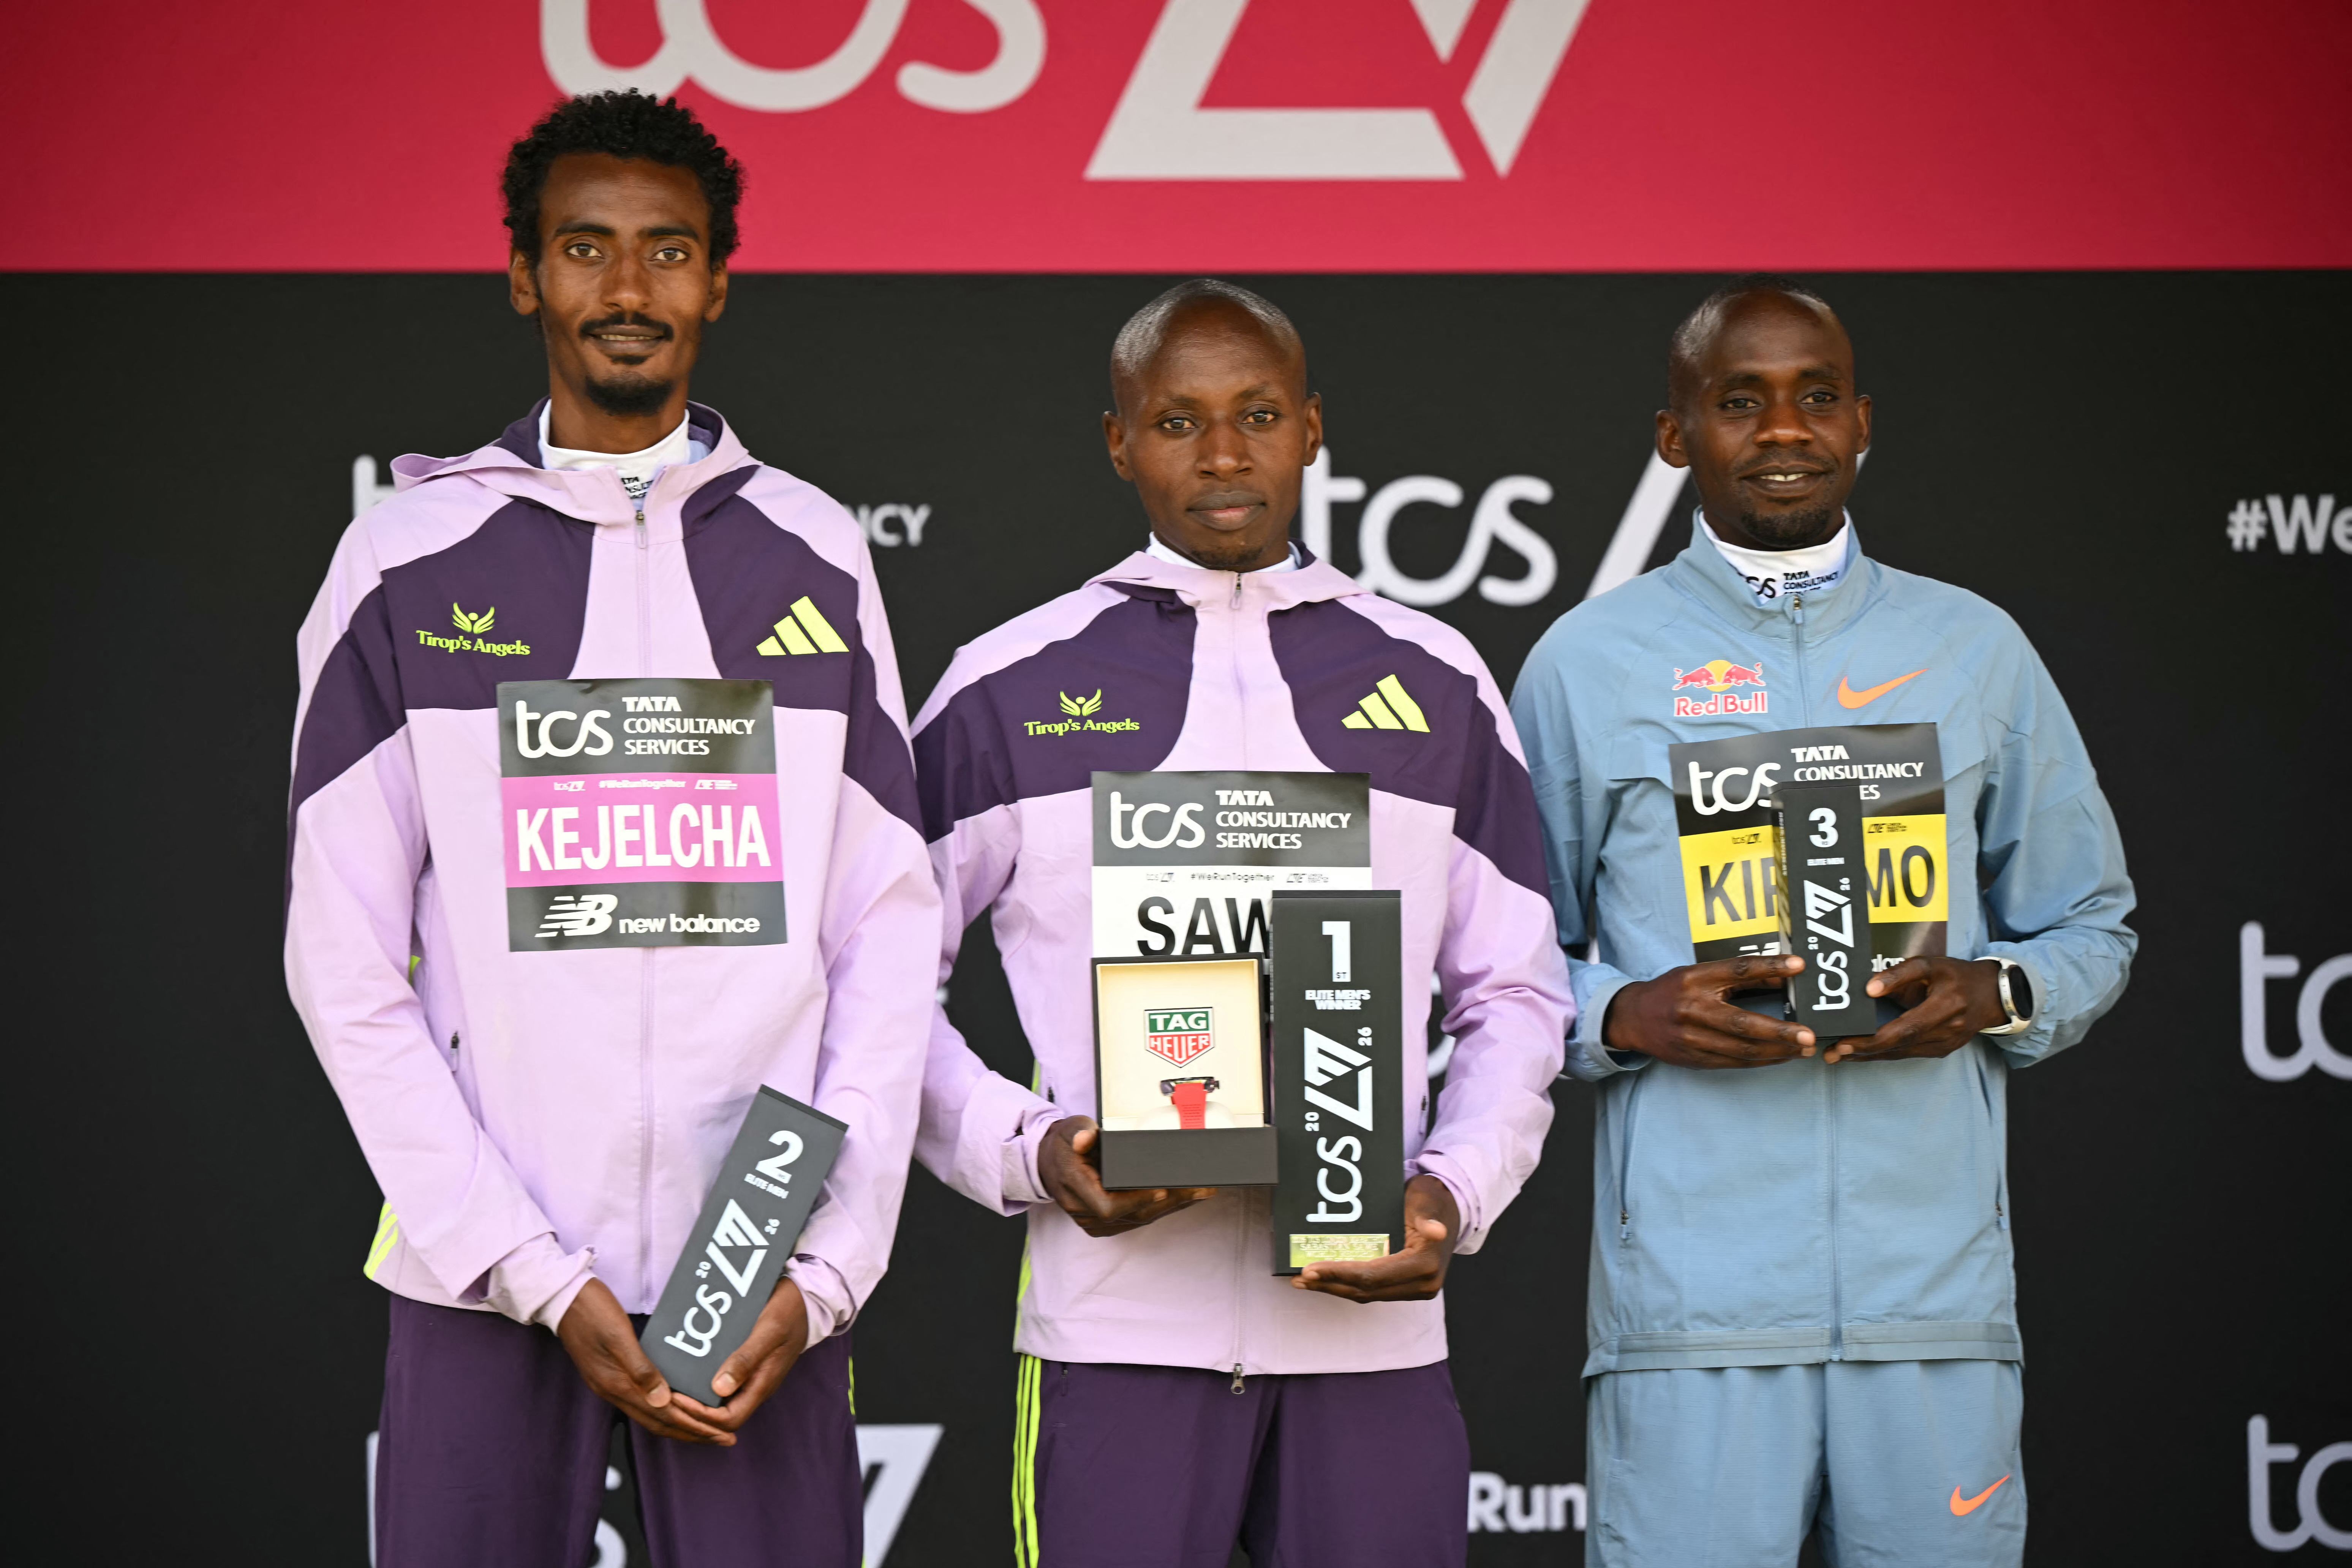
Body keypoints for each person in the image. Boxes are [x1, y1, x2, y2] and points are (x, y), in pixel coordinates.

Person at [285, 92, 938, 1568]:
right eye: (586, 248)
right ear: (525, 275)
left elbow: (887, 932)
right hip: (487, 1274)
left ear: (720, 279)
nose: (629, 288)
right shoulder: (401, 559)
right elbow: (342, 964)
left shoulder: (817, 552)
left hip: (755, 1272)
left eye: (668, 251)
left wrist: (827, 1266)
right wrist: (521, 1262)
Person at [909, 279, 1573, 1568]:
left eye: (1258, 415)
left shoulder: (1434, 679)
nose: (1223, 454)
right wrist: (1030, 1148)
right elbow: (876, 984)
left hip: (1368, 1330)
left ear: (1312, 429)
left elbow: (1517, 993)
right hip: (1116, 1335)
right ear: (1120, 443)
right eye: (1178, 422)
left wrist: (1450, 1190)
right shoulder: (1007, 684)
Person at [1509, 276, 2137, 1567]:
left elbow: (2093, 923)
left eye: (1818, 397)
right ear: (1677, 433)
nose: (1785, 429)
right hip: (1692, 1317)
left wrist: (2003, 994)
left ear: (1863, 422)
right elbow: (1503, 970)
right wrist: (1625, 1015)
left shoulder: (1974, 647)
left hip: (1935, 1311)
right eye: (1742, 401)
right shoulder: (1587, 661)